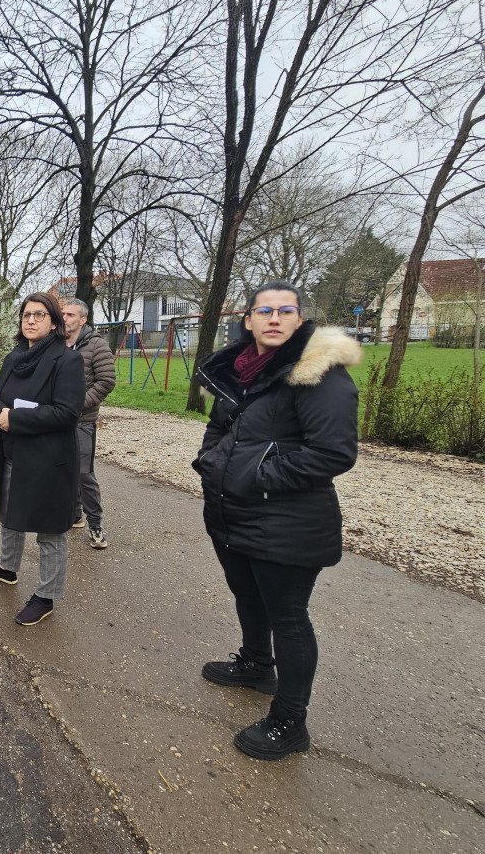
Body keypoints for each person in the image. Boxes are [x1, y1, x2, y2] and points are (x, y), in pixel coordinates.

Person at [192, 280, 360, 761]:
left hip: (288, 519)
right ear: (248, 320)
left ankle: (290, 720)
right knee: (248, 594)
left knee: (288, 617)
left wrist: (256, 477)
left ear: (299, 319)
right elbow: (219, 427)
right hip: (234, 512)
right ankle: (256, 664)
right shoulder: (241, 372)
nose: (274, 318)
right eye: (264, 311)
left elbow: (333, 453)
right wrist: (212, 464)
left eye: (286, 311)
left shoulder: (318, 373)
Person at [0, 292, 85, 626]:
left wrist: (15, 418)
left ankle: (46, 597)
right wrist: (2, 413)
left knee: (51, 530)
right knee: (9, 512)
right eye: (26, 314)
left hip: (49, 459)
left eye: (39, 315)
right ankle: (7, 568)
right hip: (13, 451)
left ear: (54, 322)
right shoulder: (13, 358)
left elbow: (67, 413)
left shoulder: (67, 360)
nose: (31, 320)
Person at [60, 297, 116, 548]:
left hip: (83, 419)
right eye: (63, 314)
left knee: (83, 472)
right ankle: (74, 515)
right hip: (57, 419)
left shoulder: (97, 345)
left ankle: (95, 524)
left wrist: (78, 404)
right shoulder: (56, 344)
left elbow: (106, 382)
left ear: (82, 319)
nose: (64, 318)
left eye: (70, 315)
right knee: (63, 469)